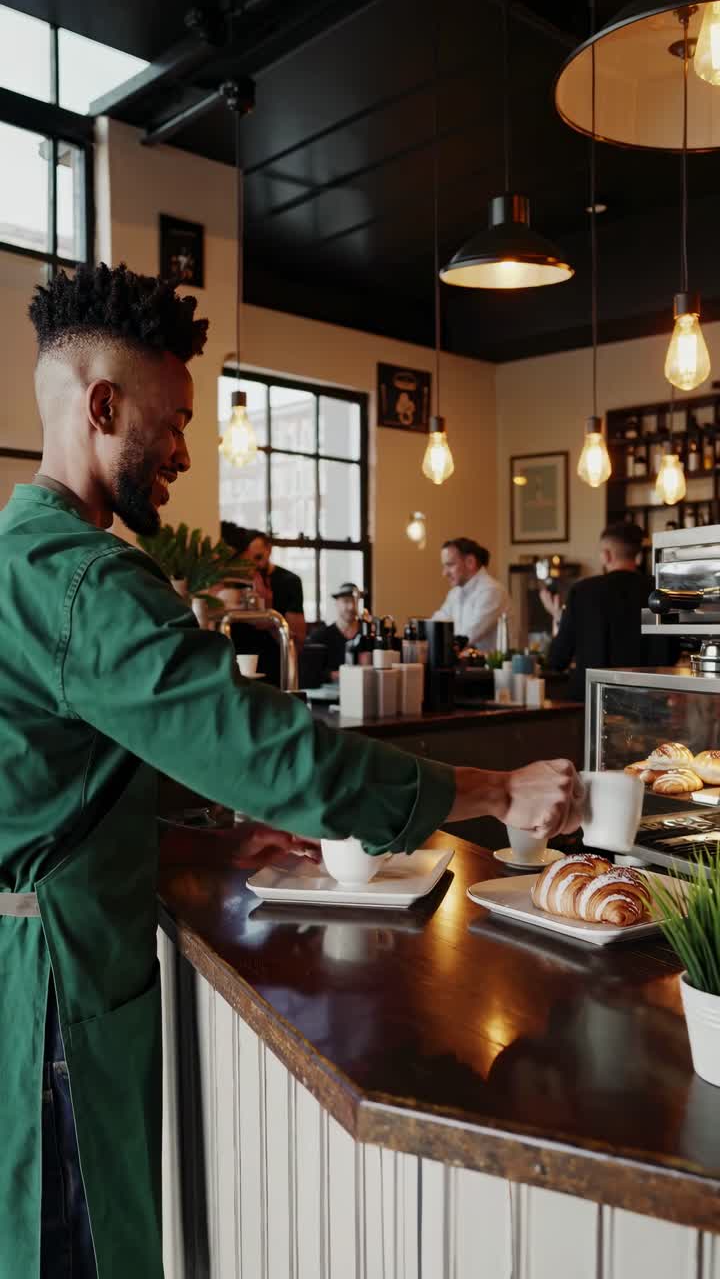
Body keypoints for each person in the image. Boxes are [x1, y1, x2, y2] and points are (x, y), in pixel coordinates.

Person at [0, 261, 582, 1278]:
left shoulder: (20, 550)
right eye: (173, 418)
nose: (186, 449)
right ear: (102, 405)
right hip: (55, 986)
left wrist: (205, 838)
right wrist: (494, 792)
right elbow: (271, 752)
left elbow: (46, 781)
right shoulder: (85, 577)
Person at [541, 522, 665, 702]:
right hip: (645, 700)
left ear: (607, 555)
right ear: (637, 554)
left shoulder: (583, 591)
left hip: (591, 701)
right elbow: (668, 652)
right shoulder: (656, 592)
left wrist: (556, 616)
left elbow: (558, 659)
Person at [222, 523, 306, 652]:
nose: (254, 567)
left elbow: (297, 643)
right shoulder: (230, 582)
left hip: (274, 660)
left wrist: (268, 618)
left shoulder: (289, 582)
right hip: (237, 658)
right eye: (245, 561)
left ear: (269, 550)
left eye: (258, 557)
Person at [433, 537, 511, 651]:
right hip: (469, 667)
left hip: (493, 668)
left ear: (470, 562)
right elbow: (437, 624)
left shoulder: (491, 591)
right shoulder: (454, 593)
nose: (444, 573)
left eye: (450, 565)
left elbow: (467, 637)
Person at [308, 581, 362, 678]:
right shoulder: (321, 636)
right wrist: (338, 675)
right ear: (337, 603)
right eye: (346, 601)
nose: (351, 607)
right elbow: (311, 672)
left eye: (355, 601)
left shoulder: (368, 635)